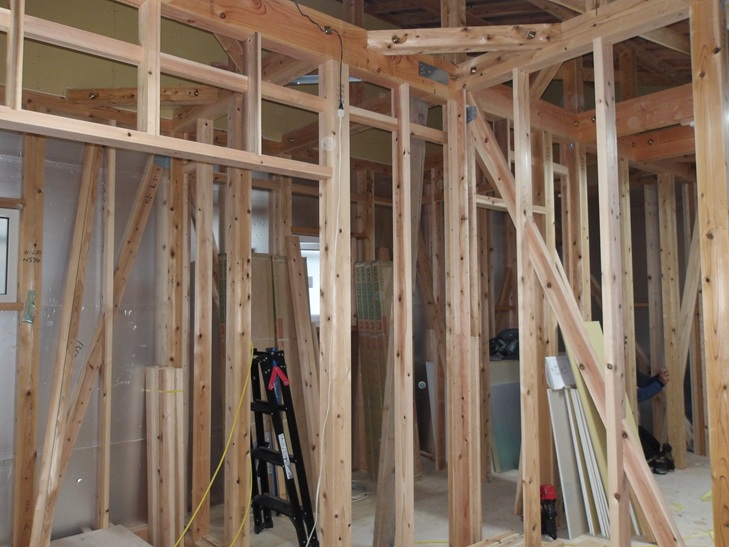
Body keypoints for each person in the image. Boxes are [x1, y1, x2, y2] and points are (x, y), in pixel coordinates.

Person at [637, 367, 675, 474]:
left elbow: (642, 381)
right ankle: (652, 462)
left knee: (653, 444)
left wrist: (658, 379)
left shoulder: (628, 362)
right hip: (615, 425)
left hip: (629, 422)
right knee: (637, 439)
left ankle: (659, 458)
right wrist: (659, 384)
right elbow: (636, 395)